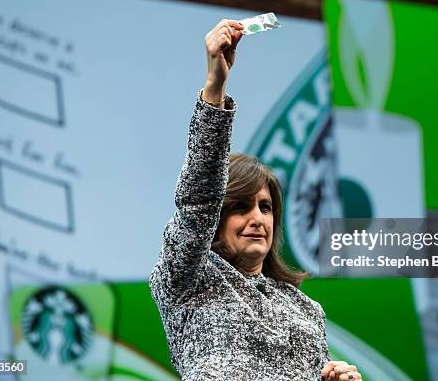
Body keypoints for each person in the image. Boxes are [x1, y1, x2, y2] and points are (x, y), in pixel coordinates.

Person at [150, 19, 363, 381]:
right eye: (239, 207)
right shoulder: (187, 278)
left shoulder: (306, 309)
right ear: (213, 220)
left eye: (265, 207)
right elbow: (199, 198)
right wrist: (215, 86)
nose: (258, 218)